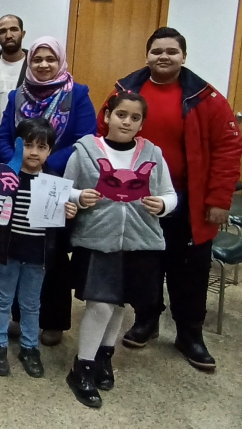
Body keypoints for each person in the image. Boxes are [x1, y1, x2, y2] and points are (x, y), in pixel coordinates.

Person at [99, 27, 242, 371]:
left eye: (171, 51)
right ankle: (146, 319)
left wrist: (219, 199)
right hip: (136, 199)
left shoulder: (206, 98)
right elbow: (101, 136)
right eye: (157, 51)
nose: (163, 56)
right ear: (147, 55)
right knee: (143, 265)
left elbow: (229, 148)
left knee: (189, 270)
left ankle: (189, 334)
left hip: (189, 201)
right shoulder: (125, 90)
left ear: (183, 56)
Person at [64, 92, 177, 408]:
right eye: (121, 115)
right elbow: (65, 189)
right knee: (100, 305)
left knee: (119, 304)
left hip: (139, 241)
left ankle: (104, 356)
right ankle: (82, 366)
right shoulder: (86, 151)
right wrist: (78, 197)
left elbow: (169, 193)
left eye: (135, 118)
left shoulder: (152, 153)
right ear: (108, 116)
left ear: (142, 123)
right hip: (98, 239)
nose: (127, 122)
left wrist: (163, 204)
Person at [0, 36, 96, 346]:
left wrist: (46, 164)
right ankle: (18, 317)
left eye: (50, 59)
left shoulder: (77, 94)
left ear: (60, 61)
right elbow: (4, 137)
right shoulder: (17, 96)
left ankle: (53, 321)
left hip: (57, 183)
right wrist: (17, 163)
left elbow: (85, 139)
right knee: (19, 247)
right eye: (37, 59)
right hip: (20, 180)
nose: (43, 64)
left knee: (51, 255)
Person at [0, 119, 77, 378]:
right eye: (28, 145)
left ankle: (30, 347)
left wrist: (69, 214)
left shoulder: (54, 183)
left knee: (32, 303)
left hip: (39, 255)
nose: (34, 152)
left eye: (41, 147)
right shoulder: (6, 177)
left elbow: (61, 227)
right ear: (17, 146)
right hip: (7, 251)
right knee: (2, 299)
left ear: (50, 150)